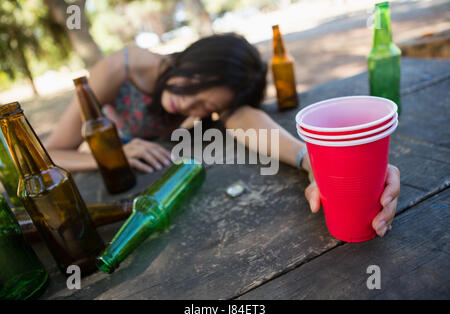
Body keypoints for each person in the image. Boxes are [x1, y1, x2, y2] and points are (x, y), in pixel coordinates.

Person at [45, 33, 399, 238]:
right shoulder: (120, 68)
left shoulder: (211, 104)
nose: (193, 109)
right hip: (115, 167)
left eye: (206, 109)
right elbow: (53, 151)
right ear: (198, 63)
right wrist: (108, 156)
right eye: (198, 94)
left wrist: (312, 160)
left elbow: (246, 119)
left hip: (159, 164)